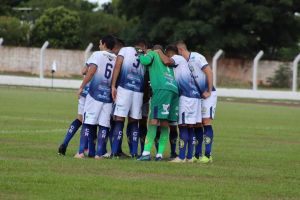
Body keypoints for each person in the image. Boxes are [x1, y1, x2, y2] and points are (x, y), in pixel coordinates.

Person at [74, 35, 117, 159]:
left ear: (104, 44)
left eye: (100, 43)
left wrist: (82, 86)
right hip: (108, 96)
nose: (99, 46)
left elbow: (91, 71)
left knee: (87, 122)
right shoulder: (116, 58)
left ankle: (81, 152)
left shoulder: (98, 54)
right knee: (104, 124)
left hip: (94, 94)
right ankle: (99, 154)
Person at [156, 44, 200, 162]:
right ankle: (189, 157)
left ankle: (181, 157)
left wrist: (158, 52)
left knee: (183, 126)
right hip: (194, 96)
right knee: (190, 126)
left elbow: (166, 61)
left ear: (169, 53)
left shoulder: (177, 58)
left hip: (186, 97)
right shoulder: (184, 63)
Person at [176, 40, 217, 163]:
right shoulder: (185, 62)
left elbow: (209, 72)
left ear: (180, 50)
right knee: (198, 123)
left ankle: (208, 155)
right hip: (198, 96)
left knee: (206, 121)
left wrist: (209, 91)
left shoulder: (197, 57)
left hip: (208, 94)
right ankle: (197, 154)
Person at [137, 45, 179, 161]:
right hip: (173, 89)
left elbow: (145, 61)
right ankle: (159, 154)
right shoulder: (166, 58)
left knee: (153, 120)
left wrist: (141, 54)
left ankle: (145, 153)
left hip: (161, 89)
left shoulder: (153, 53)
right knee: (165, 122)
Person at [110, 39, 147, 158]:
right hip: (138, 91)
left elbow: (117, 66)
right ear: (143, 46)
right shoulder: (145, 54)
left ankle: (115, 152)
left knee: (119, 119)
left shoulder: (125, 50)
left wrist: (113, 85)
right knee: (134, 120)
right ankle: (134, 153)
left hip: (125, 88)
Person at [57, 65, 90, 156]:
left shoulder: (94, 57)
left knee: (80, 119)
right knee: (90, 122)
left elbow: (83, 71)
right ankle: (86, 148)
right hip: (95, 94)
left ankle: (65, 143)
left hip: (84, 91)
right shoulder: (110, 57)